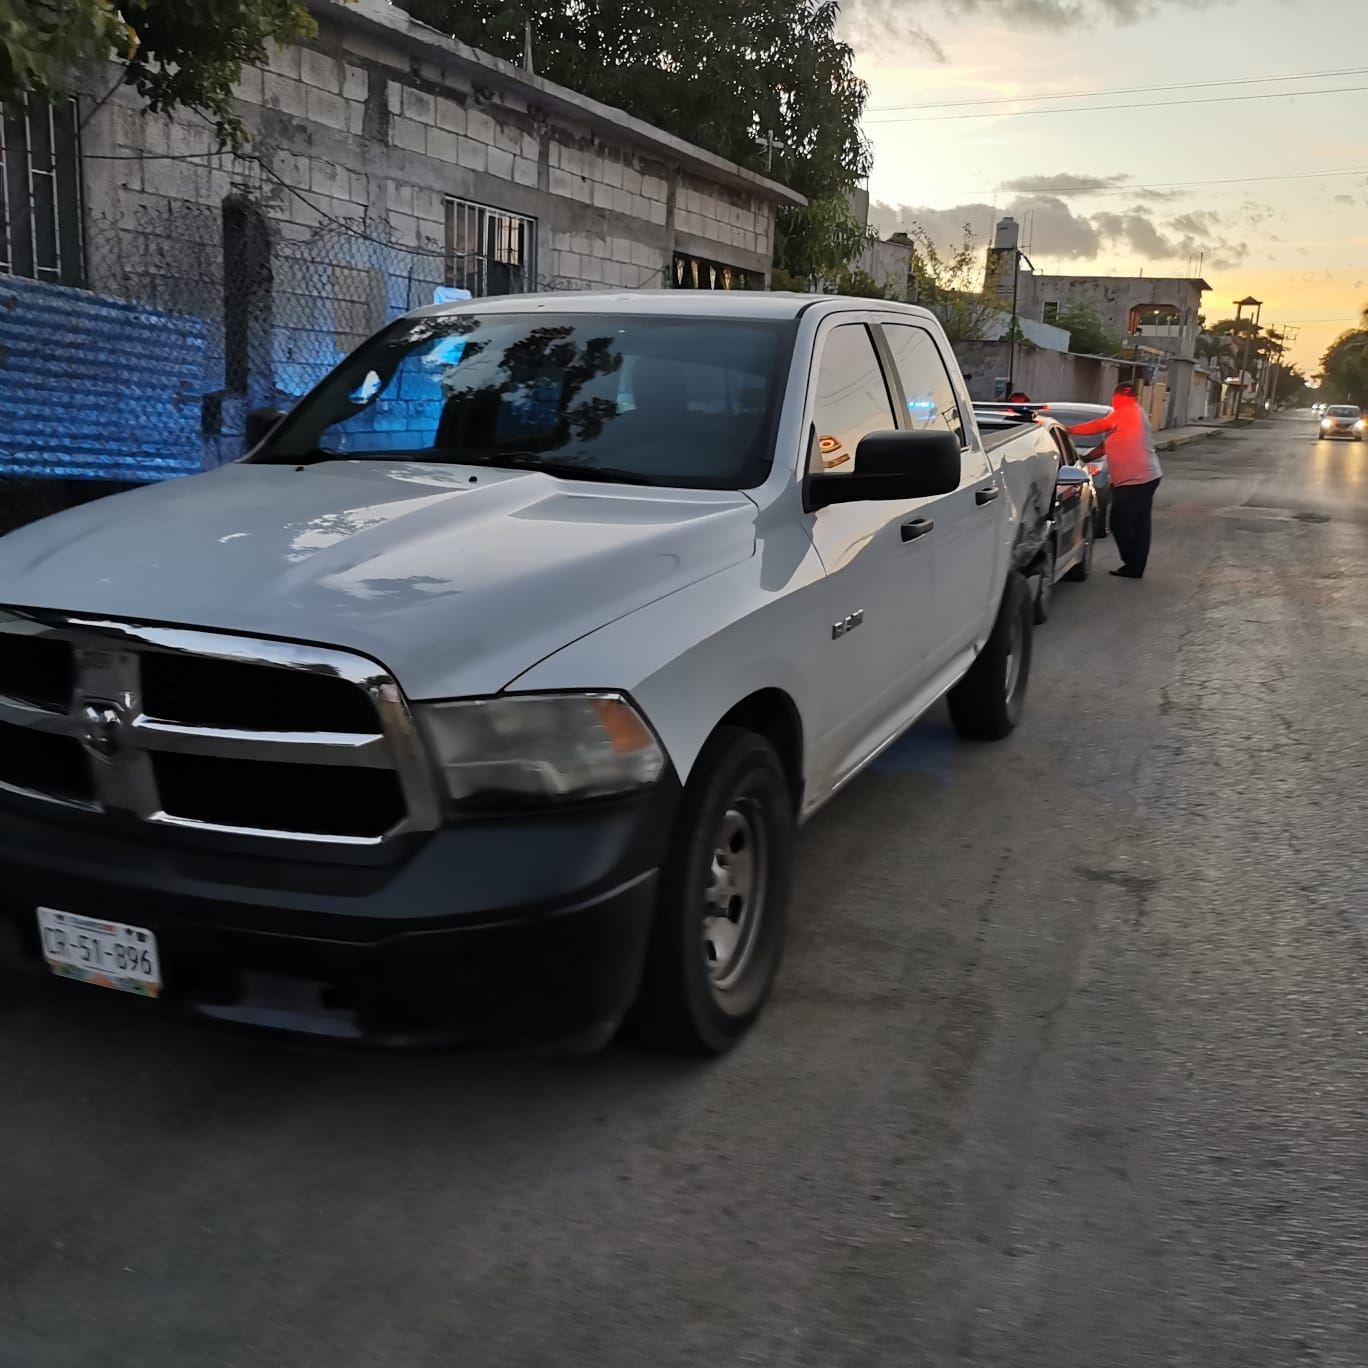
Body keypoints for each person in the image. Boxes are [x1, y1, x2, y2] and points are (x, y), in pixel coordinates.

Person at [1067, 382, 1163, 579]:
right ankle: (1135, 566)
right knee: (1139, 524)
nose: (1119, 402)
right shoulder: (1131, 415)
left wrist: (1070, 430)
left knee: (1120, 522)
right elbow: (1105, 446)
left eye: (1122, 399)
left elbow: (1098, 425)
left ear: (1126, 399)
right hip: (1144, 477)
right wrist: (1084, 459)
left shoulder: (1128, 412)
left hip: (1136, 480)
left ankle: (1132, 562)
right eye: (1119, 399)